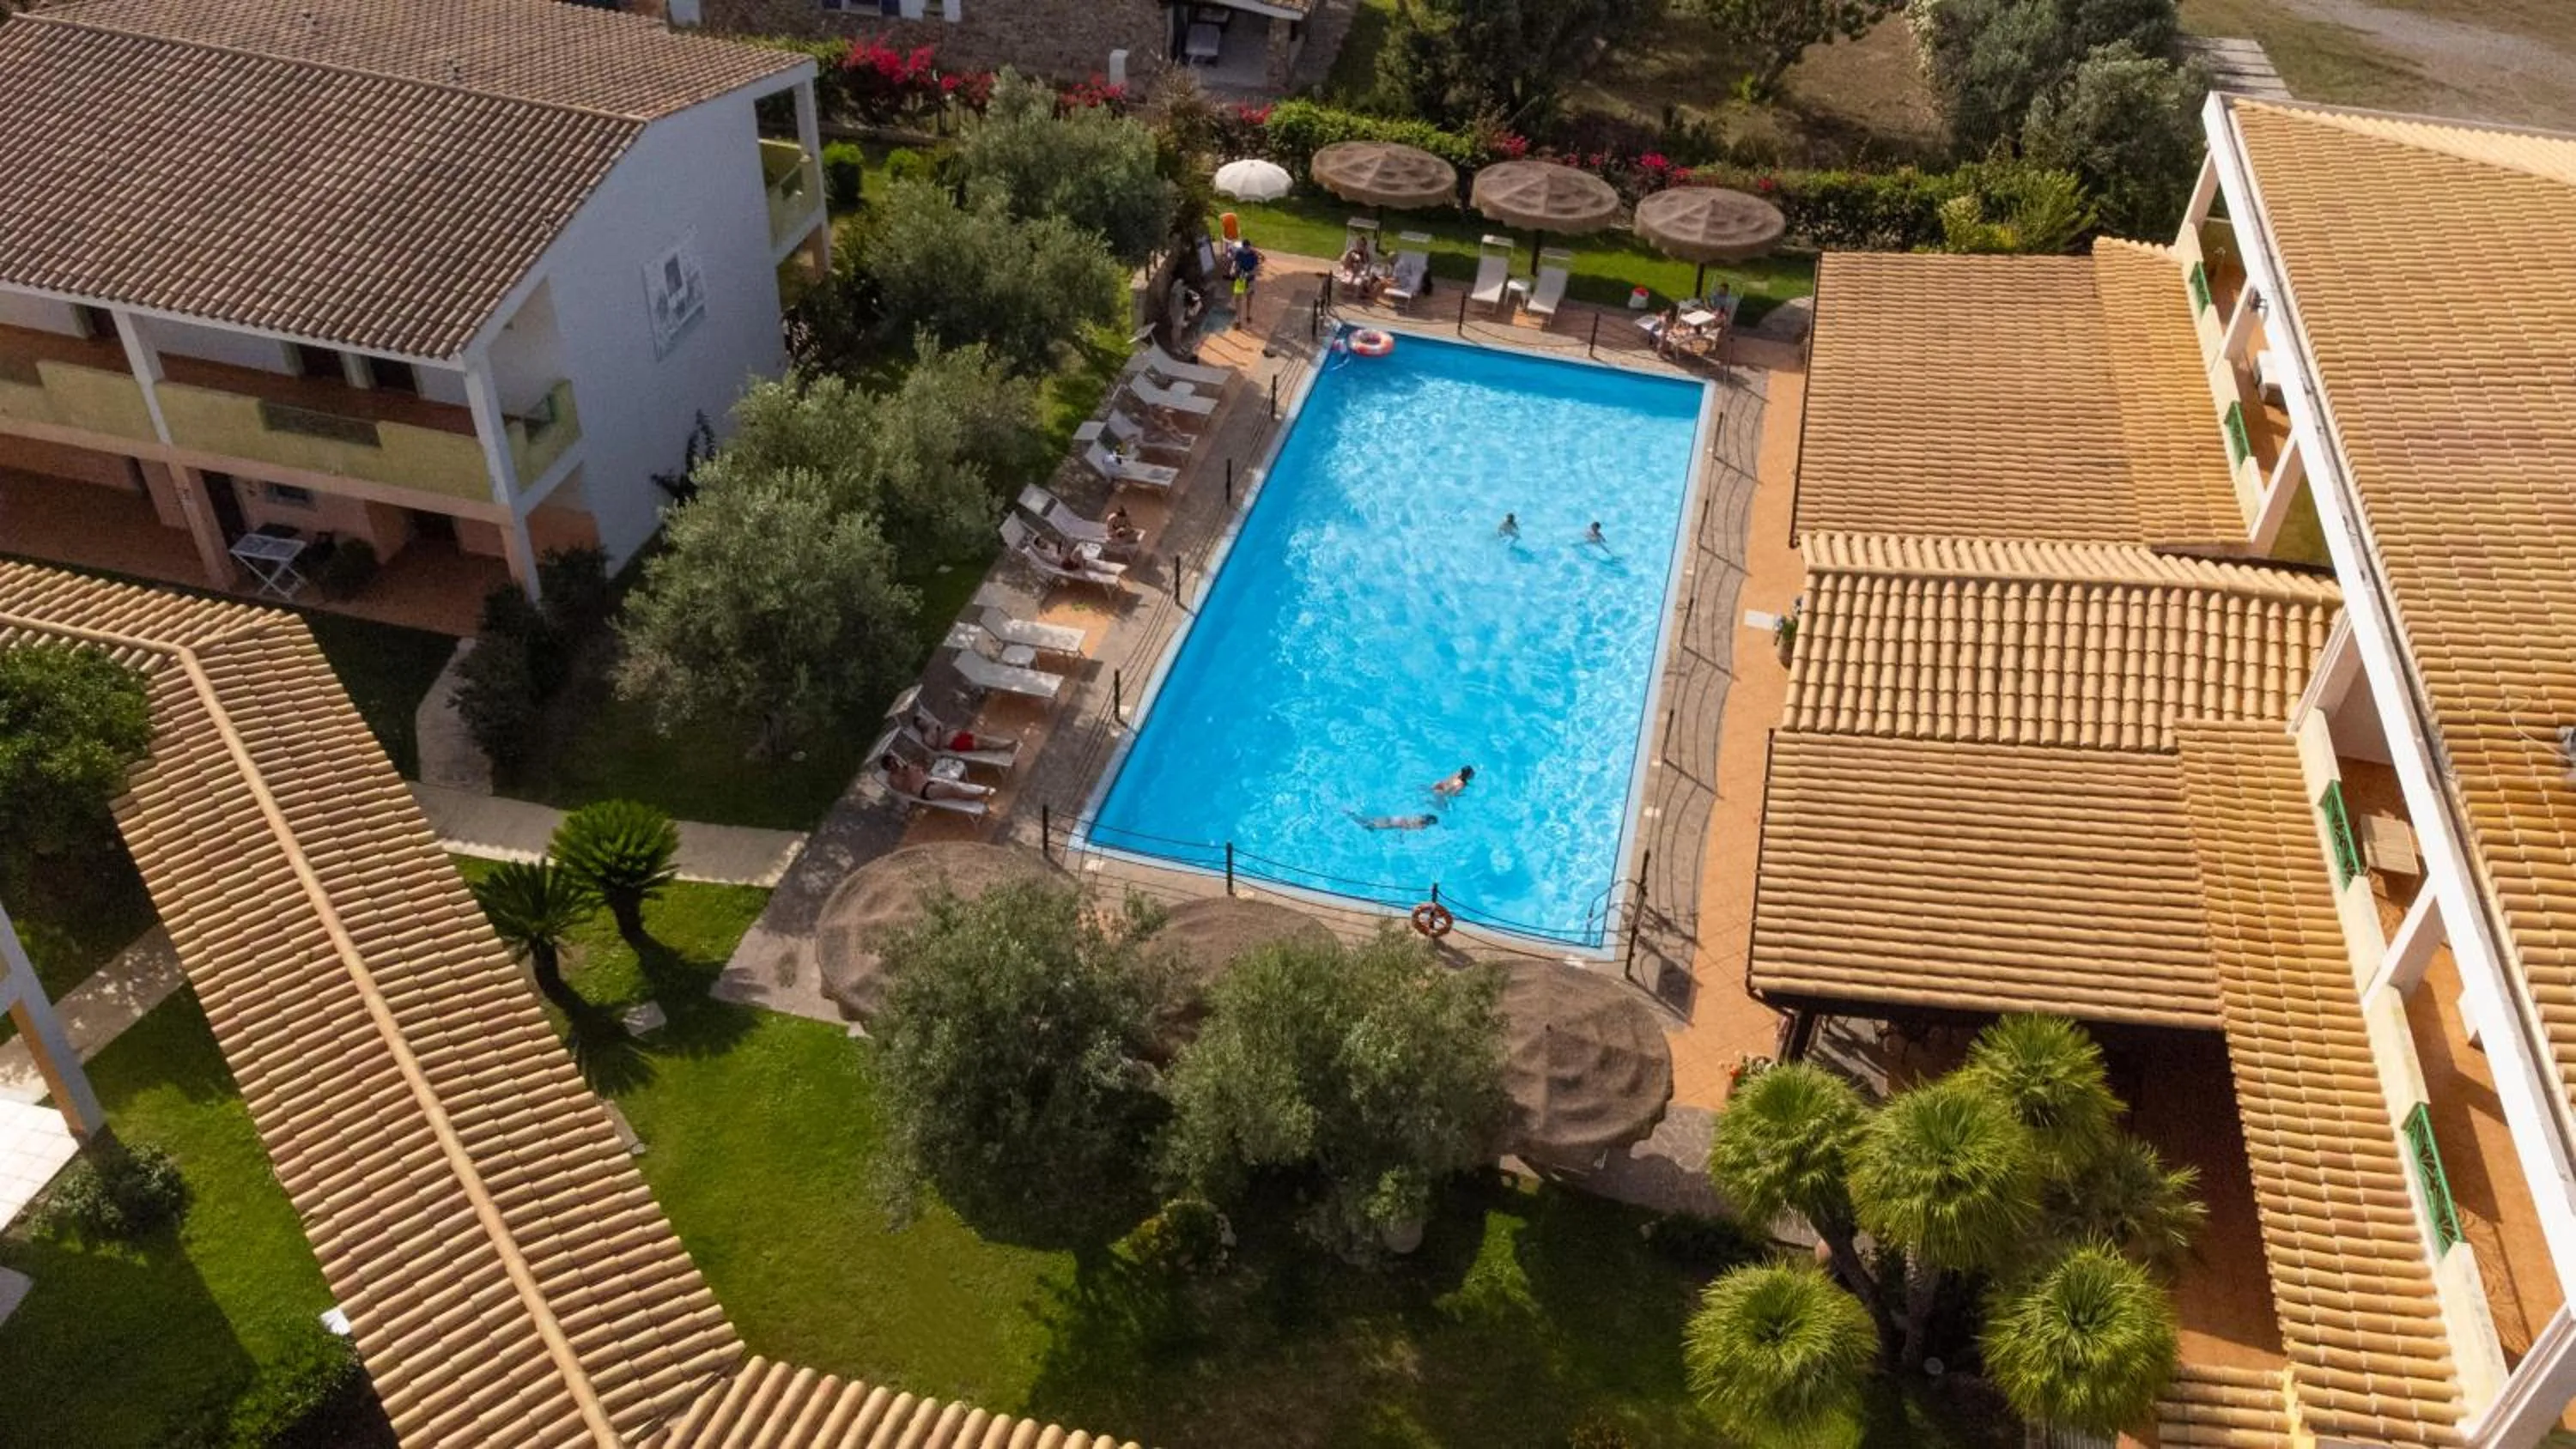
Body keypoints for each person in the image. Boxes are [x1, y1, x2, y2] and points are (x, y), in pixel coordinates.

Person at [1349, 810, 1439, 831]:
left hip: (1394, 820)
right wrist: (1401, 838)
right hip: (1393, 822)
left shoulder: (1420, 820)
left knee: (1371, 822)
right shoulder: (1421, 823)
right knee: (1369, 824)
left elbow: (1406, 823)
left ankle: (1352, 815)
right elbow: (1405, 824)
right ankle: (1351, 815)